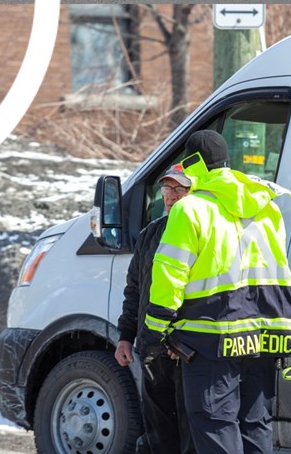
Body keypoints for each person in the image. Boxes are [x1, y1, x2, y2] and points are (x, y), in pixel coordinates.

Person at [139, 130, 291, 454]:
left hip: (213, 338)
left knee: (213, 422)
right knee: (255, 423)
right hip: (266, 335)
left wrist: (152, 334)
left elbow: (170, 274)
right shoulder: (266, 205)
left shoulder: (190, 209)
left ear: (193, 165)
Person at [116, 165, 195, 454]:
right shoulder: (151, 233)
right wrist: (126, 336)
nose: (172, 195)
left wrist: (184, 341)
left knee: (191, 433)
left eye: (179, 189)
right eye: (167, 188)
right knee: (158, 433)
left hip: (188, 352)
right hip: (153, 348)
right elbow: (134, 289)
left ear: (192, 192)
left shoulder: (202, 231)